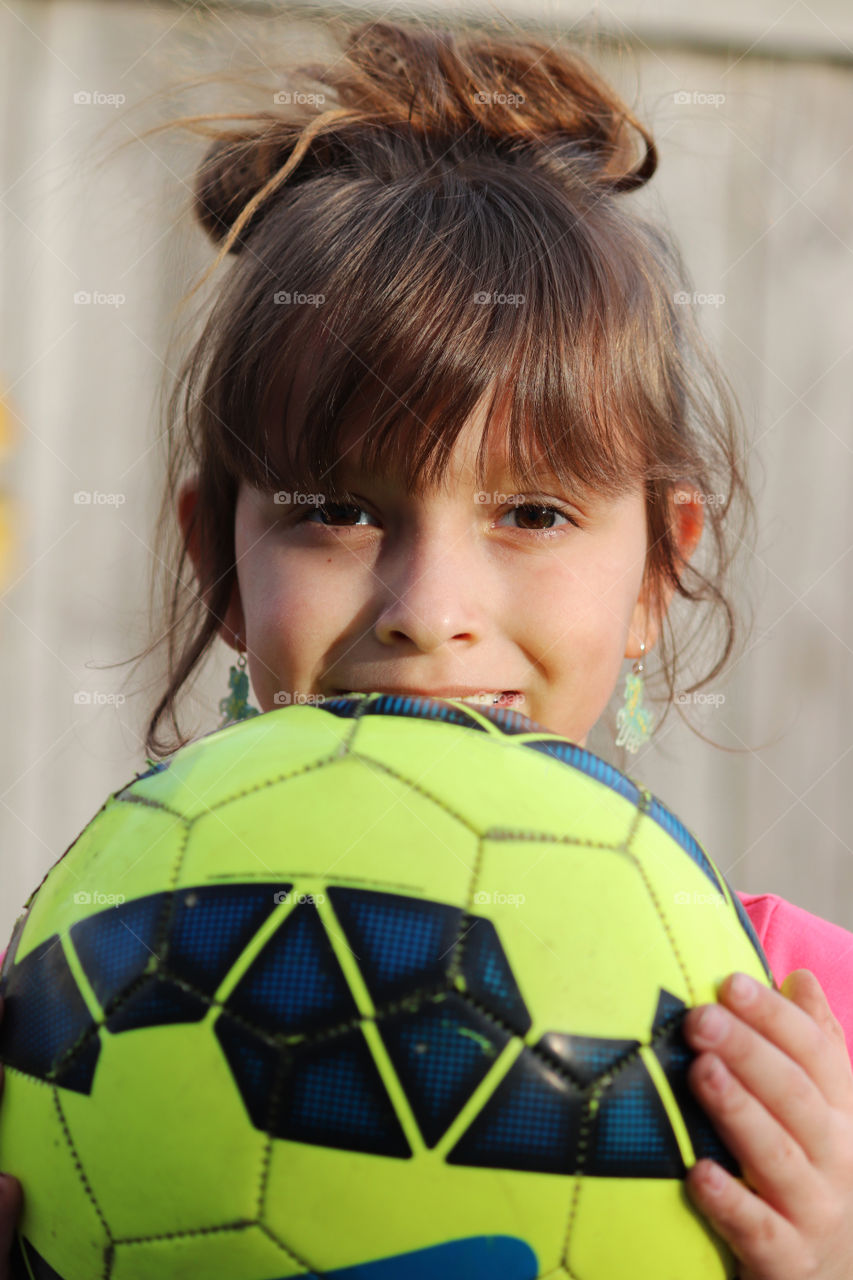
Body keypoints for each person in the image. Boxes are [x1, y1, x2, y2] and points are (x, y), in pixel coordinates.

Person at [2, 18, 853, 1279]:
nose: (428, 606)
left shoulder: (806, 1033)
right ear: (216, 564)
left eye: (532, 512)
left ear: (656, 570)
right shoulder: (75, 1001)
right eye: (335, 511)